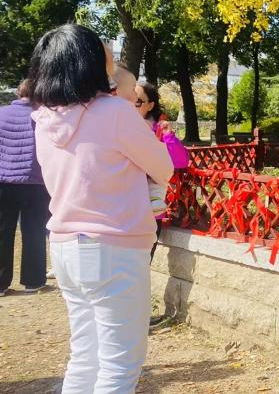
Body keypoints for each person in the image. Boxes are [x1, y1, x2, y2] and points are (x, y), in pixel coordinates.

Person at [28, 24, 173, 393]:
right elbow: (164, 167)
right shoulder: (114, 112)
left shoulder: (44, 118)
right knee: (119, 365)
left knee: (85, 357)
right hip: (114, 247)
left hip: (64, 246)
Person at [0, 79, 51, 296]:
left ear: (18, 93)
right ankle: (33, 281)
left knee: (3, 232)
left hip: (4, 181)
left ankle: (1, 284)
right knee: (34, 232)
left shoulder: (1, 114)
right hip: (35, 181)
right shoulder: (43, 117)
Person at [132, 81, 188, 260]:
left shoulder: (158, 129)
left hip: (148, 209)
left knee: (142, 262)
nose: (132, 104)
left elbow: (181, 161)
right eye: (128, 98)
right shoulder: (113, 127)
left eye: (138, 101)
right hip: (120, 208)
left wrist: (169, 136)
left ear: (150, 105)